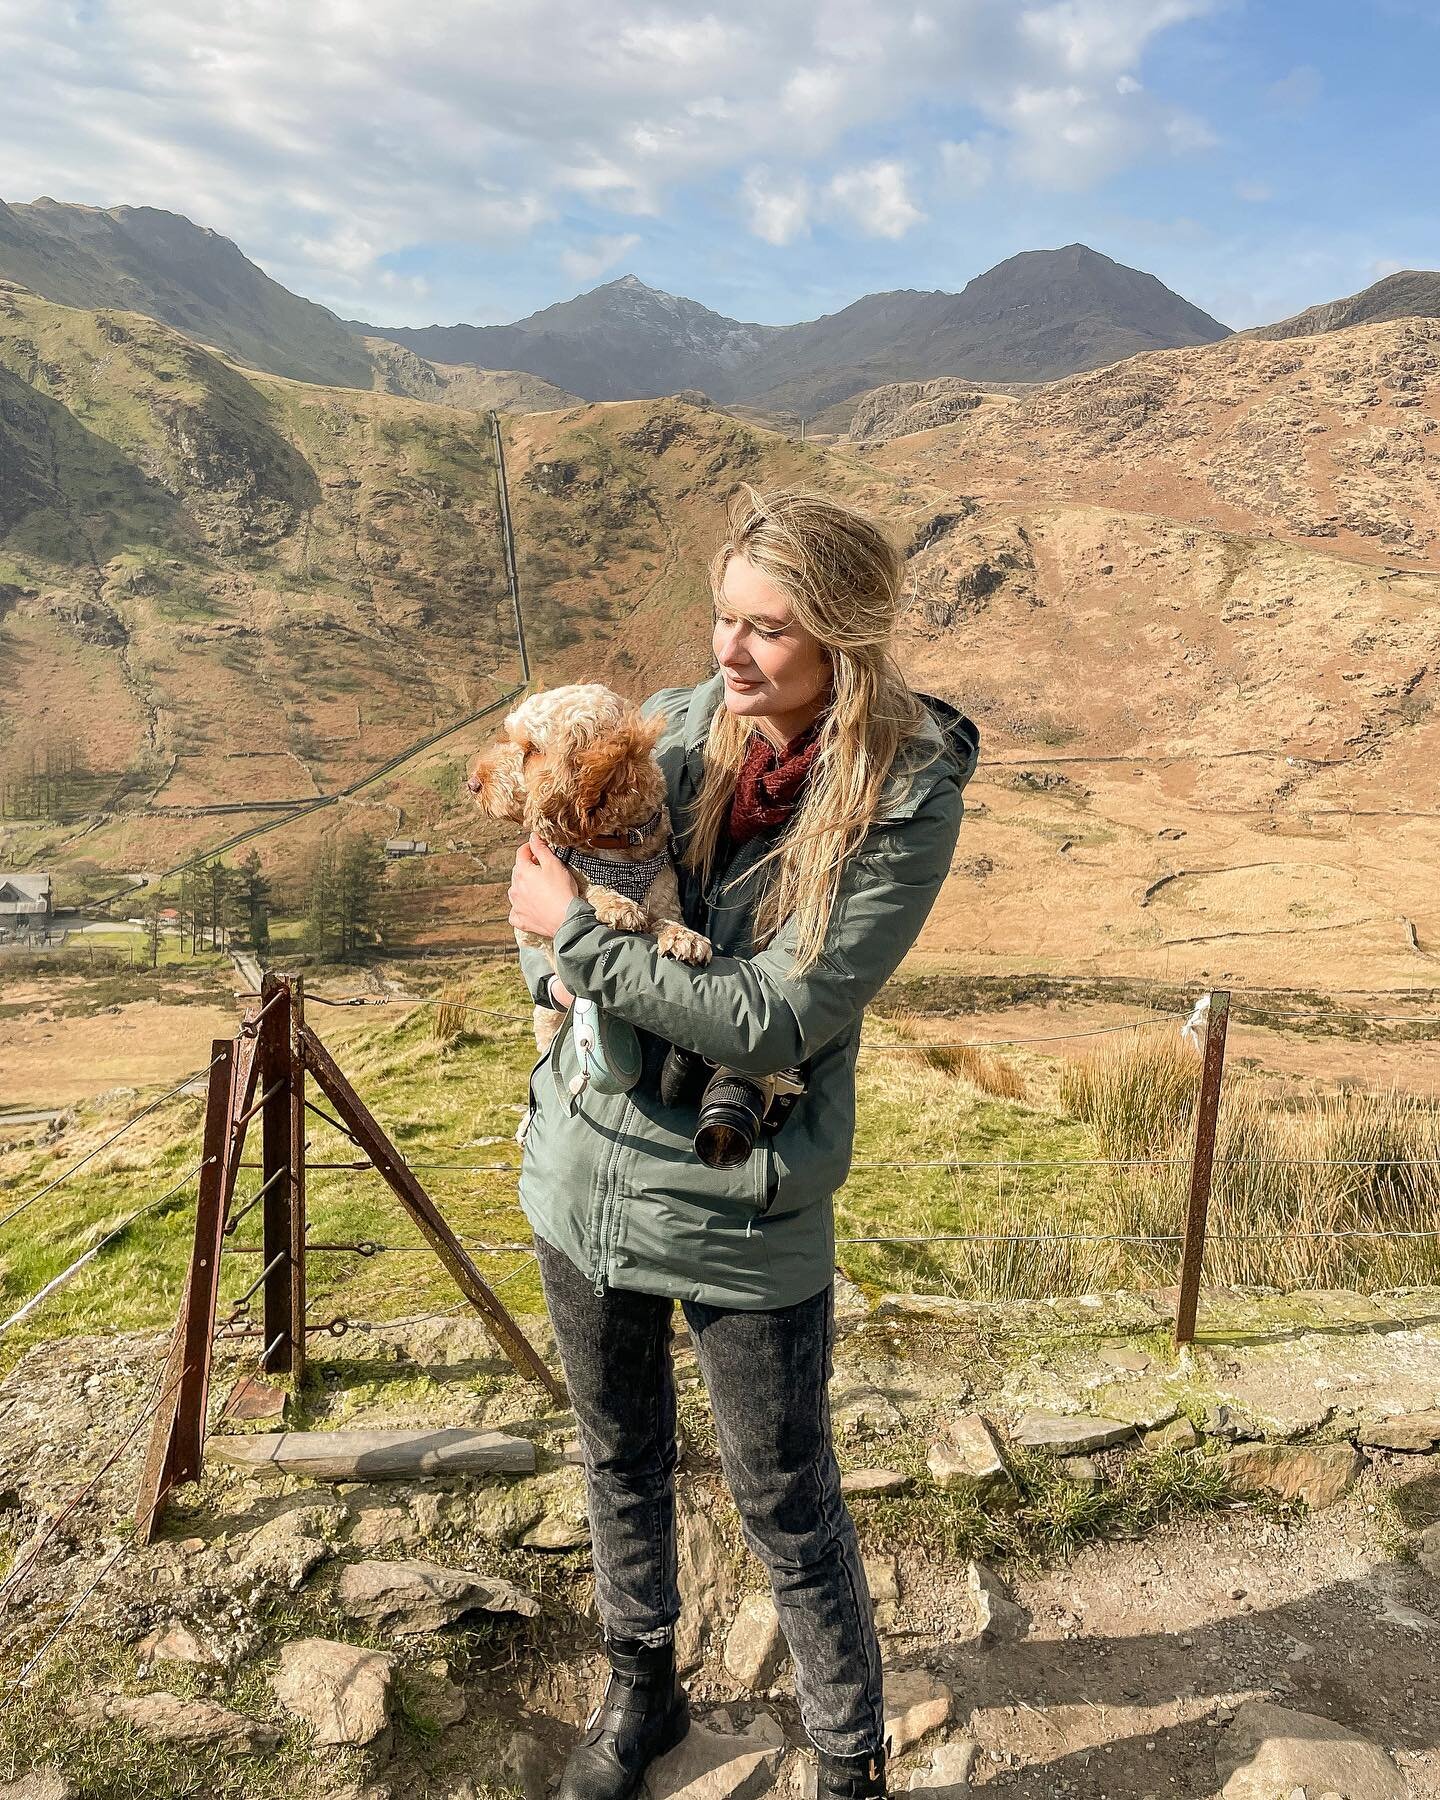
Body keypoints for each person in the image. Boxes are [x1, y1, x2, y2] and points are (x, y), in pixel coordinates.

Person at [505, 485, 979, 1800]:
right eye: (723, 620)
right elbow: (562, 872)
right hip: (587, 1164)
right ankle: (641, 1684)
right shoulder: (675, 735)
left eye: (768, 631)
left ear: (844, 642)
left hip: (742, 1194)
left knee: (781, 1496)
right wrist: (548, 965)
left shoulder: (903, 796)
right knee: (616, 1451)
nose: (729, 653)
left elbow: (782, 1014)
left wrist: (586, 945)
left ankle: (845, 1763)